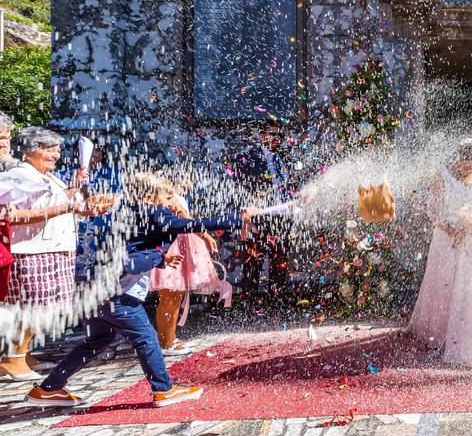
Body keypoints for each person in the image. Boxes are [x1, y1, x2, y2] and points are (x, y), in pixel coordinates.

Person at [25, 173, 257, 408]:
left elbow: (127, 248)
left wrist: (159, 257)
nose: (171, 199)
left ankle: (48, 389)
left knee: (96, 340)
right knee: (147, 339)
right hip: (119, 295)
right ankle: (164, 389)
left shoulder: (126, 211)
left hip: (95, 292)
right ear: (148, 196)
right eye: (167, 195)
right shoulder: (153, 212)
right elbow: (186, 226)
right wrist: (236, 219)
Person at [0, 127, 90, 381]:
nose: (56, 154)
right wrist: (67, 207)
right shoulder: (19, 175)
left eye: (57, 148)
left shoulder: (46, 176)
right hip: (33, 250)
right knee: (34, 306)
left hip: (51, 248)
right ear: (29, 151)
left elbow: (56, 202)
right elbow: (11, 216)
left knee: (40, 305)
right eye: (49, 148)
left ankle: (20, 352)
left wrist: (74, 188)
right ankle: (13, 358)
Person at [405, 139, 472, 367]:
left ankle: (471, 336)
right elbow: (434, 211)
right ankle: (439, 334)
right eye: (470, 165)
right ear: (462, 158)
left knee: (470, 288)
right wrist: (452, 229)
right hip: (446, 240)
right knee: (444, 284)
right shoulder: (441, 175)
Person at [149, 175, 224, 356]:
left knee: (175, 295)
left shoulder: (170, 194)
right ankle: (165, 342)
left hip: (182, 244)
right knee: (170, 295)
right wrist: (205, 235)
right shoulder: (167, 195)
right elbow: (185, 217)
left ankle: (169, 337)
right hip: (175, 246)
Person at [234, 118, 294, 300]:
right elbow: (240, 187)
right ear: (262, 136)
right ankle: (251, 301)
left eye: (280, 134)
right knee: (253, 261)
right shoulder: (248, 158)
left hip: (282, 217)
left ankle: (276, 299)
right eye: (273, 134)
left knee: (280, 260)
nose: (278, 138)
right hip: (258, 217)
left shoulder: (285, 158)